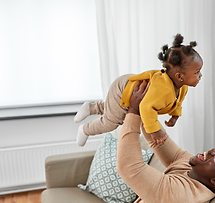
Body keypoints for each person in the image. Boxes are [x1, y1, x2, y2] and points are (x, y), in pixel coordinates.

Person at [45, 81, 215, 203]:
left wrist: (133, 113)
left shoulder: (184, 196)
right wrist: (147, 107)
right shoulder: (190, 165)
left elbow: (128, 168)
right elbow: (157, 140)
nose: (213, 151)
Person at [74, 33, 203, 147]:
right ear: (179, 76)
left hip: (128, 84)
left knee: (112, 108)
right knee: (112, 121)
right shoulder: (163, 90)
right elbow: (146, 108)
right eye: (197, 72)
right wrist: (155, 130)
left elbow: (178, 102)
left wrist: (175, 116)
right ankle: (85, 129)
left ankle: (90, 108)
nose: (200, 75)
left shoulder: (182, 86)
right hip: (123, 89)